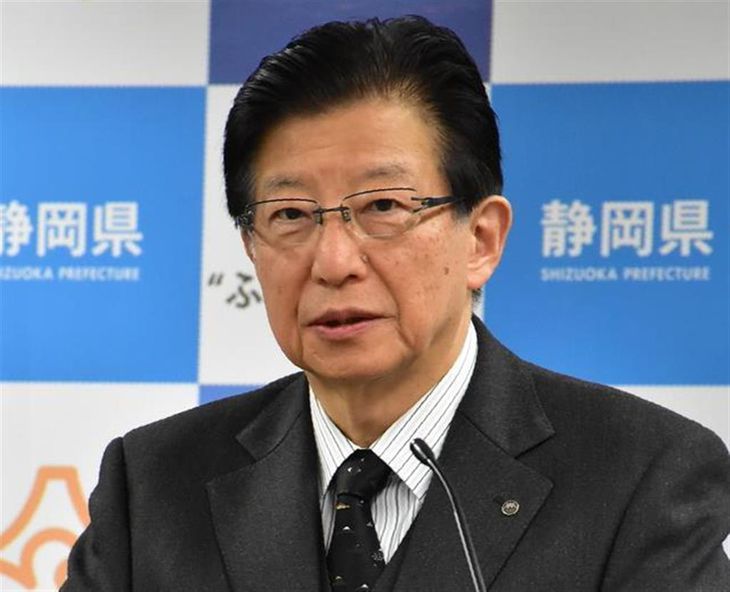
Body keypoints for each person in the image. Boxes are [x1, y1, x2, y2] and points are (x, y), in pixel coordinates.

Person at [62, 16, 730, 592]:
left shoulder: (640, 477)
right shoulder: (153, 486)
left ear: (481, 239)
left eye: (383, 206)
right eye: (290, 214)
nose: (333, 262)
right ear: (251, 246)